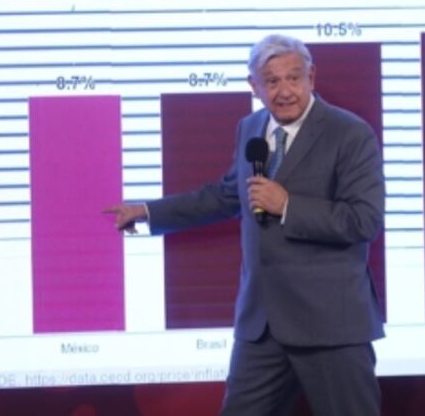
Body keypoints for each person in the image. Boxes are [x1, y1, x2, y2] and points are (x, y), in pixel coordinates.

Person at [105, 34, 385, 415]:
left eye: (293, 78)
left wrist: (288, 206)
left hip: (330, 325)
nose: (284, 91)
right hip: (262, 327)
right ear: (254, 86)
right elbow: (226, 195)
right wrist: (148, 212)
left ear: (311, 77)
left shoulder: (350, 133)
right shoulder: (250, 128)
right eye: (272, 81)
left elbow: (364, 220)